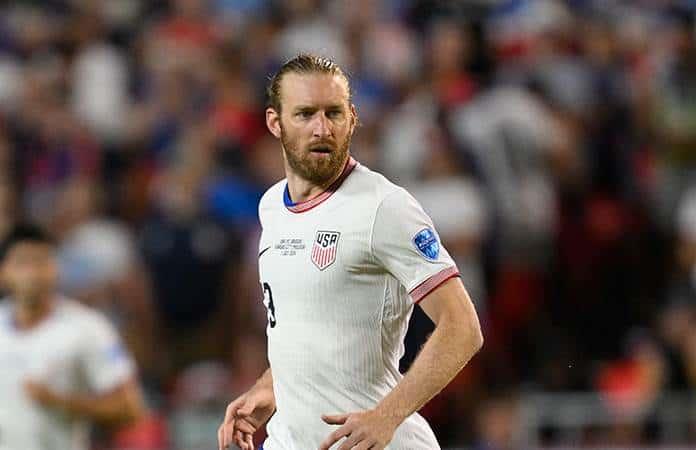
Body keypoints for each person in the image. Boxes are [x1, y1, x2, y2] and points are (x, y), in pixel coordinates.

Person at [217, 54, 483, 450]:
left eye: (334, 113)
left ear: (352, 118)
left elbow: (462, 328)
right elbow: (304, 330)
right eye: (305, 114)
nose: (322, 128)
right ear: (275, 122)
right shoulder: (271, 206)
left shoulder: (383, 207)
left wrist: (387, 416)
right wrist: (269, 388)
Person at [0, 224, 145, 450]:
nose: (33, 273)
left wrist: (61, 402)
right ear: (4, 272)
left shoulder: (88, 328)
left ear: (55, 269)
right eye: (23, 263)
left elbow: (130, 409)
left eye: (41, 262)